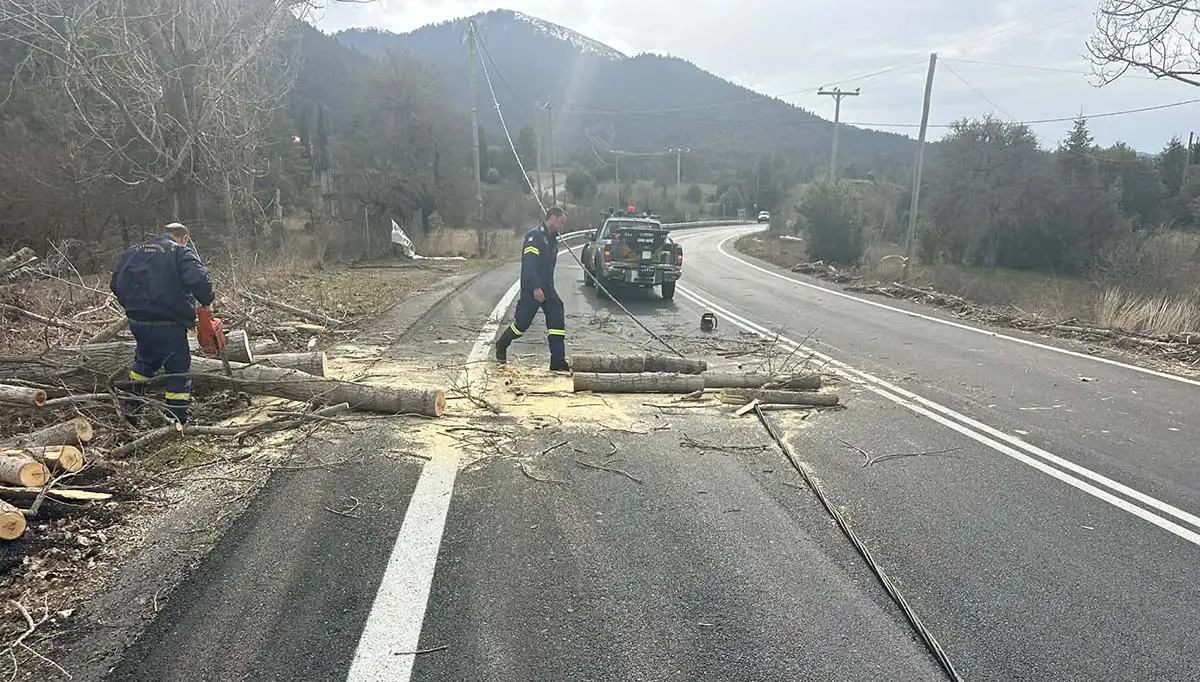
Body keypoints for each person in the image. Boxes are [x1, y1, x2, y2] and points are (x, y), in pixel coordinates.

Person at [110, 222, 214, 425]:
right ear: (182, 237)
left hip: (138, 321)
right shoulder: (179, 252)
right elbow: (199, 278)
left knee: (144, 362)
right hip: (169, 322)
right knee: (178, 369)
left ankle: (131, 409)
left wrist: (132, 305)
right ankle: (177, 420)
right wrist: (207, 300)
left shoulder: (133, 252)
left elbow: (115, 283)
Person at [494, 206, 570, 371]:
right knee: (521, 324)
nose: (562, 227)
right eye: (561, 223)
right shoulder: (534, 236)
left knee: (557, 314)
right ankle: (502, 344)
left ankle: (557, 360)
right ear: (553, 218)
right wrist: (535, 287)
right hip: (532, 288)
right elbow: (529, 264)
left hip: (548, 287)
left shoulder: (552, 239)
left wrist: (545, 287)